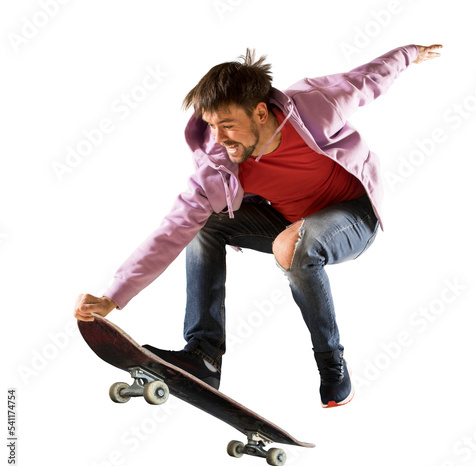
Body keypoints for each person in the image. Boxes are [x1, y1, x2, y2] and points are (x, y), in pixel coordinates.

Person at [74, 43, 442, 407]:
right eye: (212, 126)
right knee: (206, 225)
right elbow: (172, 229)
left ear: (261, 112)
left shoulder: (317, 105)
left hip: (354, 218)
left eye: (228, 125)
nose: (220, 139)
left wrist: (409, 53)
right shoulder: (219, 165)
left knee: (294, 247)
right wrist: (114, 296)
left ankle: (332, 364)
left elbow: (367, 79)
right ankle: (203, 355)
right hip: (287, 222)